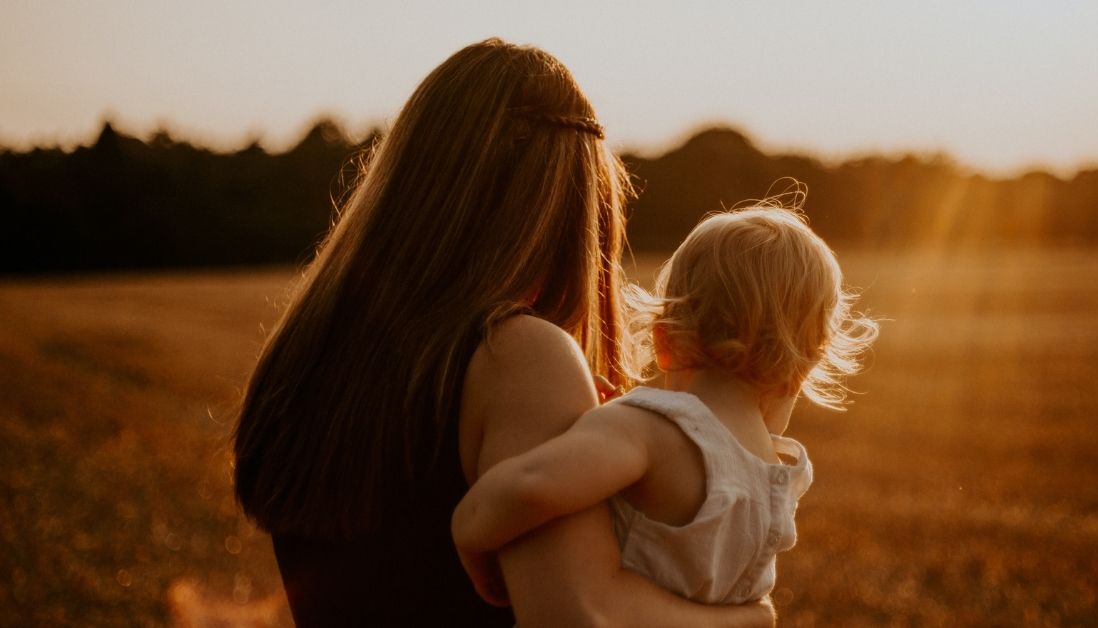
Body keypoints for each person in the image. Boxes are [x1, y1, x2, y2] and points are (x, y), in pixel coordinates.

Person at [233, 38, 774, 626]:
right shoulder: (518, 356)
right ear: (570, 208)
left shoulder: (308, 353)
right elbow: (577, 616)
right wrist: (745, 619)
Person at [453, 207, 879, 608]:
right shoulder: (777, 478)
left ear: (663, 341)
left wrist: (468, 527)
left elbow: (534, 482)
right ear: (803, 368)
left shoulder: (648, 430)